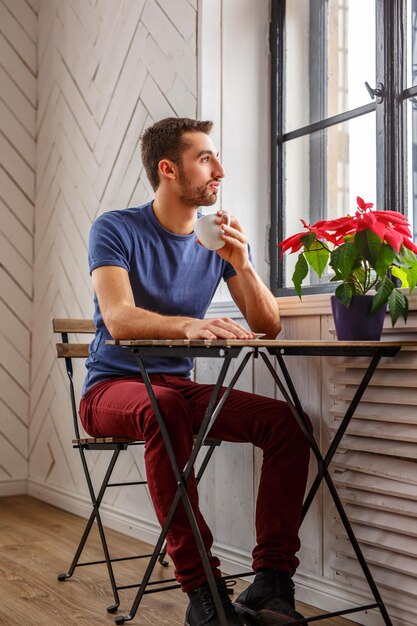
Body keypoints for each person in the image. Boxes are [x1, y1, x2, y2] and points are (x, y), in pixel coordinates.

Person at [79, 117, 310, 626]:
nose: (219, 170)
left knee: (288, 423)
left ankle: (272, 582)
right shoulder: (116, 228)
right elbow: (117, 318)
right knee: (164, 410)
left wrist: (243, 264)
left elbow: (267, 326)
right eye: (205, 158)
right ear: (168, 169)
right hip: (111, 390)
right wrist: (190, 325)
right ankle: (204, 592)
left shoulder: (214, 241)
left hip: (176, 391)